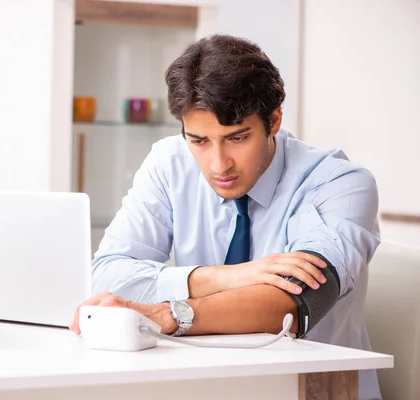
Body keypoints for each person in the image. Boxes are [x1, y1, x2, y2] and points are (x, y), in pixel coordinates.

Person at [69, 34, 381, 400]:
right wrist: (229, 276)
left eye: (237, 138)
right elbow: (107, 276)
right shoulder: (169, 163)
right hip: (204, 387)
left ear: (274, 120)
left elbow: (293, 306)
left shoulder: (341, 185)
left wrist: (169, 315)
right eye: (199, 140)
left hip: (311, 391)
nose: (218, 165)